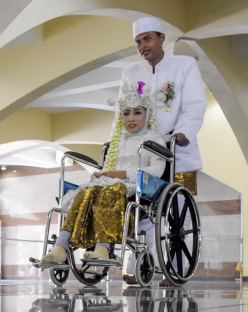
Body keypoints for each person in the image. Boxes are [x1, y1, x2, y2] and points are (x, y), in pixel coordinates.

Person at [39, 82, 166, 268]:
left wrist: (122, 173)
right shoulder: (116, 143)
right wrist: (99, 175)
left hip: (136, 186)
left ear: (147, 115)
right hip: (108, 183)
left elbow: (157, 170)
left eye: (137, 112)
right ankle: (60, 248)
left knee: (110, 191)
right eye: (126, 113)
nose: (131, 118)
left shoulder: (155, 141)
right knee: (84, 193)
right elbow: (107, 168)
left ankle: (102, 248)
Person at [122, 17, 207, 287]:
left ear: (161, 38)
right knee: (142, 210)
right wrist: (116, 144)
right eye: (137, 41)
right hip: (144, 153)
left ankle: (175, 270)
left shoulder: (184, 66)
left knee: (176, 215)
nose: (142, 46)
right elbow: (122, 113)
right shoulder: (130, 72)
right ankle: (138, 267)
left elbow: (195, 103)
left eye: (147, 39)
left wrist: (184, 132)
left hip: (177, 151)